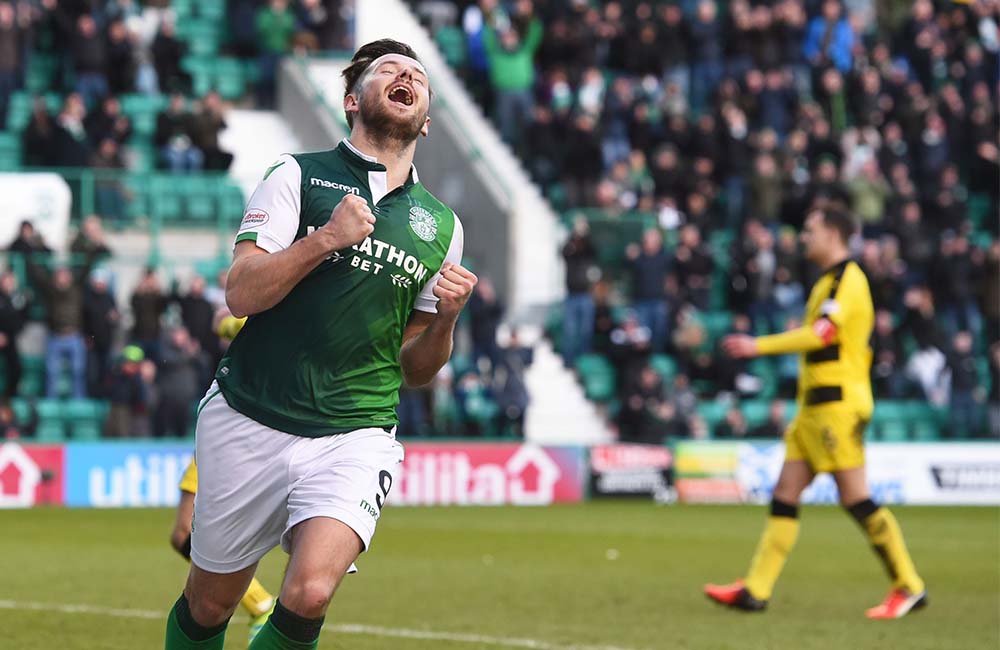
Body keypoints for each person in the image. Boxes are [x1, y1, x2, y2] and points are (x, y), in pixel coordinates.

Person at [163, 39, 476, 650]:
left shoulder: (443, 227)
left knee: (308, 594)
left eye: (417, 74)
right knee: (210, 604)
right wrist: (324, 239)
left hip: (355, 428)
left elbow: (414, 370)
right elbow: (242, 293)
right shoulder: (297, 174)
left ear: (428, 118)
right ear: (352, 100)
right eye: (389, 69)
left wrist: (446, 322)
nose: (405, 75)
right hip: (252, 414)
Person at [705, 206, 926, 619]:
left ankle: (909, 585)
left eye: (809, 231)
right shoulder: (826, 281)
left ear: (833, 235)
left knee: (855, 497)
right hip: (813, 408)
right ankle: (755, 589)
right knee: (785, 494)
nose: (803, 238)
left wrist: (759, 346)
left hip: (838, 406)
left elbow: (822, 335)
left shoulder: (848, 280)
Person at [170, 311, 276, 645]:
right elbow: (222, 321)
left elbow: (221, 321)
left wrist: (226, 319)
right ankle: (258, 603)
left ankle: (261, 604)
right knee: (181, 534)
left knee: (187, 532)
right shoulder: (266, 315)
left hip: (241, 435)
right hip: (225, 426)